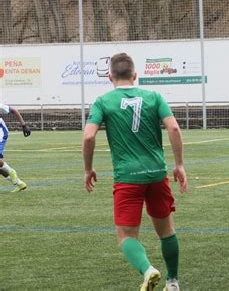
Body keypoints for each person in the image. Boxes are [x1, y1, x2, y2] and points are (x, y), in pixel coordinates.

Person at [82, 53, 187, 291]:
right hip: (157, 174)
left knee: (126, 236)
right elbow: (173, 127)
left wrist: (88, 169)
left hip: (128, 177)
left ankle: (148, 269)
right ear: (135, 75)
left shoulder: (103, 101)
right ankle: (172, 282)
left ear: (110, 77)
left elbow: (88, 136)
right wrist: (179, 165)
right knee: (167, 230)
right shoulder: (154, 96)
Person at [0, 103, 31, 192]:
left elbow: (13, 110)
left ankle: (11, 171)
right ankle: (19, 183)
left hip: (1, 133)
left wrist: (24, 126)